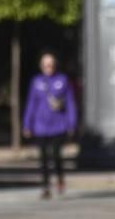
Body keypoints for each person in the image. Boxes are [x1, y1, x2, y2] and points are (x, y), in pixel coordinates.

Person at [22, 51, 77, 199]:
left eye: (51, 64)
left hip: (58, 125)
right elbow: (31, 103)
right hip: (40, 126)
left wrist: (72, 123)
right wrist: (27, 124)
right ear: (41, 66)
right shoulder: (36, 82)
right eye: (46, 65)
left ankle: (60, 178)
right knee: (43, 158)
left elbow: (71, 103)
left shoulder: (63, 80)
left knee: (56, 155)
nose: (49, 67)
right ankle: (45, 186)